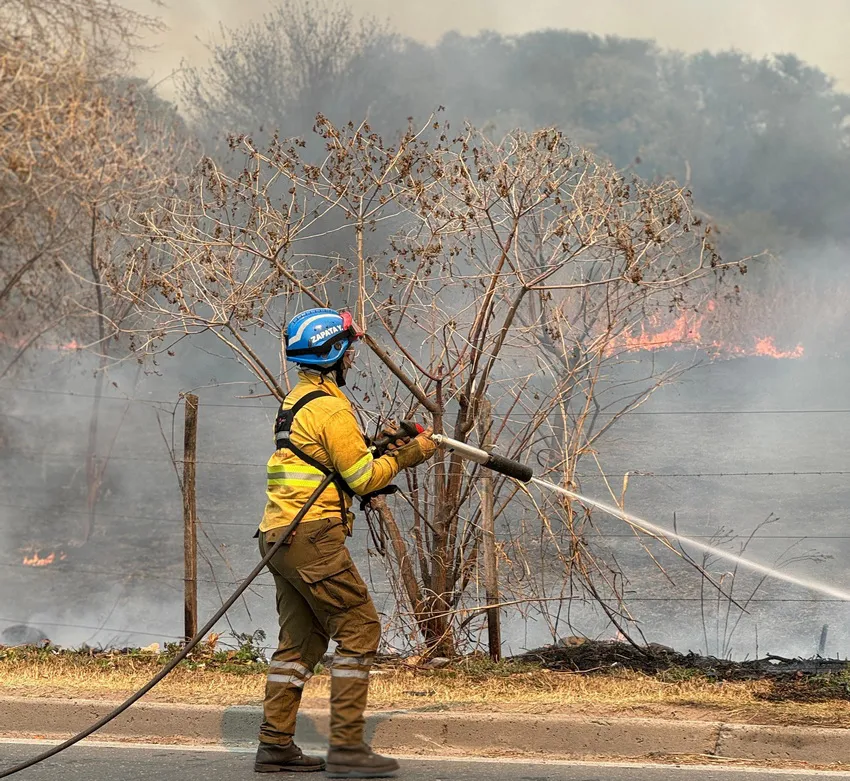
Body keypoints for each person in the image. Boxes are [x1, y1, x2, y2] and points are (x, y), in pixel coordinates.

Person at [254, 308, 435, 777]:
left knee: (301, 641)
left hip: (280, 536)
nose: (353, 356)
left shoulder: (300, 399)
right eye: (349, 348)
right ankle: (349, 748)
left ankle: (274, 745)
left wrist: (379, 443)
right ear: (333, 352)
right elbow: (361, 479)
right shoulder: (332, 408)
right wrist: (411, 453)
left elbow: (329, 462)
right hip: (311, 534)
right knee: (360, 629)